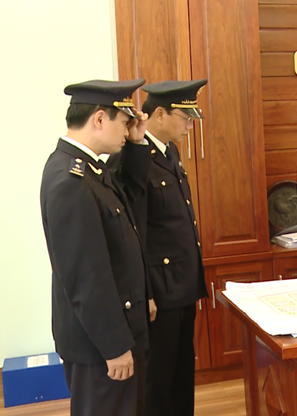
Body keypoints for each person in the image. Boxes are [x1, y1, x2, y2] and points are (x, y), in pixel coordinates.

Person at [40, 79, 153, 416]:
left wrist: (136, 143)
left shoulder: (88, 167)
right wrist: (114, 346)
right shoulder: (71, 180)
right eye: (124, 122)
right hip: (99, 346)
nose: (128, 130)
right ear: (100, 119)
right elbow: (85, 277)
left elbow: (130, 197)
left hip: (111, 332)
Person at [132, 80, 207, 416]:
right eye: (185, 117)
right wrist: (144, 291)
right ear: (159, 114)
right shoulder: (137, 158)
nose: (190, 125)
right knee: (159, 378)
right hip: (159, 289)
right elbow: (136, 232)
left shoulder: (169, 151)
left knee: (181, 371)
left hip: (182, 283)